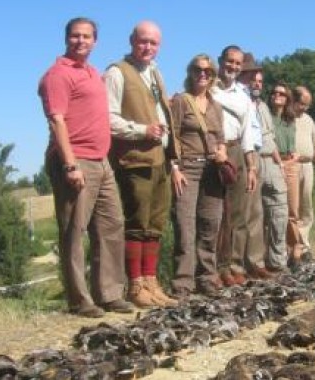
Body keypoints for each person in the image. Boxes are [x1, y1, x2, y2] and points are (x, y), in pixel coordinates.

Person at [38, 17, 133, 318]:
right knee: (74, 231)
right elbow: (56, 119)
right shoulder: (58, 74)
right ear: (67, 39)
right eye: (75, 36)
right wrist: (70, 165)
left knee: (111, 224)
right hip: (75, 159)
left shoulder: (93, 73)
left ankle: (109, 293)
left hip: (100, 160)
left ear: (95, 41)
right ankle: (80, 300)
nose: (81, 41)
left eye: (87, 36)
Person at [104, 21, 181, 308]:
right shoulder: (116, 73)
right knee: (137, 224)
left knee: (156, 224)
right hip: (134, 159)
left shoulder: (155, 71)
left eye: (154, 43)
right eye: (143, 41)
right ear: (131, 40)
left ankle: (151, 282)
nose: (148, 47)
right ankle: (135, 285)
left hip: (160, 158)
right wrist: (141, 130)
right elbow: (108, 118)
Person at [169, 54, 227, 299]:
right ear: (190, 72)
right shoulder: (182, 101)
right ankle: (183, 282)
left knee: (210, 224)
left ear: (213, 76)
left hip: (212, 170)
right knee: (185, 225)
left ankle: (207, 277)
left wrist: (222, 150)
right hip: (188, 168)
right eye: (197, 69)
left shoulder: (216, 105)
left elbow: (221, 137)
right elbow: (172, 136)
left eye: (208, 71)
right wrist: (174, 168)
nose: (202, 74)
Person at [212, 45, 267, 286]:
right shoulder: (208, 89)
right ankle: (215, 268)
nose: (233, 67)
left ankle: (234, 266)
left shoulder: (242, 96)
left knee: (239, 215)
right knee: (215, 215)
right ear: (220, 61)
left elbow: (247, 133)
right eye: (229, 62)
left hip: (237, 150)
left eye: (237, 63)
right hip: (213, 151)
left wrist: (251, 167)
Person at [240, 55, 288, 272]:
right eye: (253, 79)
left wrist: (280, 164)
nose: (256, 83)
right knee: (255, 216)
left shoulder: (264, 106)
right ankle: (254, 264)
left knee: (279, 213)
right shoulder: (242, 102)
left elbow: (270, 137)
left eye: (260, 81)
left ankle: (278, 262)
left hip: (271, 162)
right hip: (252, 160)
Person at [292, 86, 315, 259]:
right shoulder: (285, 118)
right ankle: (292, 248)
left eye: (307, 105)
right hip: (291, 166)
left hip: (307, 166)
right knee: (292, 208)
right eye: (302, 104)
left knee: (306, 207)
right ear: (293, 100)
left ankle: (304, 246)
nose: (304, 108)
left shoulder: (308, 119)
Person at [268, 81, 299, 270]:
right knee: (278, 211)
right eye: (274, 92)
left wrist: (294, 155)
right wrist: (279, 161)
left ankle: (296, 247)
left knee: (293, 211)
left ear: (287, 98)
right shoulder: (266, 116)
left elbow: (292, 143)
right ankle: (283, 251)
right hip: (274, 163)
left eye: (281, 93)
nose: (277, 95)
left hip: (290, 163)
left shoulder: (290, 119)